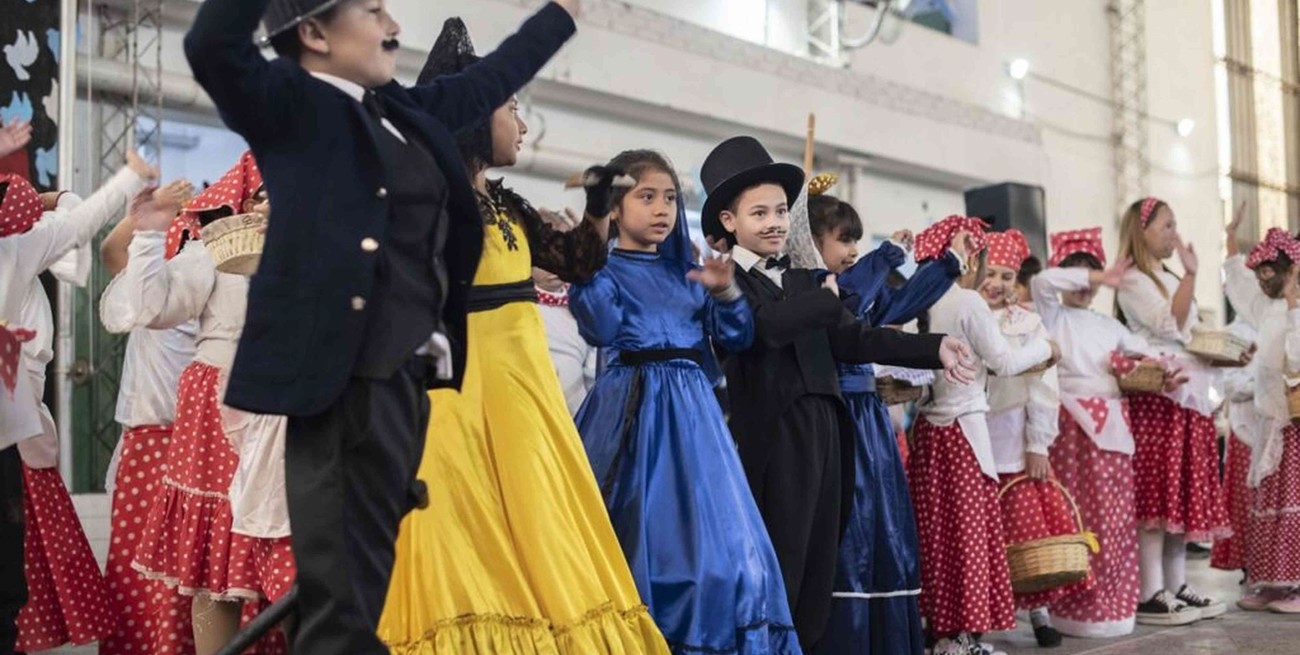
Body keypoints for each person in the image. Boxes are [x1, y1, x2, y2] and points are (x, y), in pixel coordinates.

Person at [183, 1, 582, 651]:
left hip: (406, 380)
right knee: (340, 603)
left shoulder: (397, 111)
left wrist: (560, 14)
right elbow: (212, 46)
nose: (392, 22)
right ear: (313, 34)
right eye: (371, 10)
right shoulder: (292, 104)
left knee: (367, 590)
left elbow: (488, 81)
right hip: (341, 382)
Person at [376, 21, 667, 654]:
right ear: (477, 117)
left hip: (525, 403)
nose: (524, 126)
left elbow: (579, 263)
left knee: (542, 536)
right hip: (457, 404)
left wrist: (597, 206)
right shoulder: (427, 201)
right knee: (467, 539)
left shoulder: (510, 208)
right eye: (513, 110)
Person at [699, 136, 973, 650]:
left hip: (830, 428)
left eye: (781, 210)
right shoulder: (725, 281)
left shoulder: (807, 278)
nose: (775, 222)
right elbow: (760, 329)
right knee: (782, 560)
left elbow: (853, 338)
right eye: (759, 212)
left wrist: (933, 348)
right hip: (776, 436)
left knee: (820, 566)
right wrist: (826, 303)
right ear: (729, 222)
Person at [571, 149, 798, 653]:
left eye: (670, 198)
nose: (661, 209)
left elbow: (735, 338)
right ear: (614, 207)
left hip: (696, 421)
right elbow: (601, 328)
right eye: (646, 197)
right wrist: (585, 270)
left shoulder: (690, 273)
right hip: (632, 413)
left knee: (731, 554)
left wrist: (725, 295)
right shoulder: (605, 272)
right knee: (638, 544)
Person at [120, 155, 294, 655]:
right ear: (247, 200)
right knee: (216, 563)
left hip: (298, 408)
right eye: (266, 195)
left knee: (298, 559)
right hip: (221, 405)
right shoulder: (217, 247)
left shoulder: (328, 251)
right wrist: (151, 235)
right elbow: (151, 307)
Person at [0, 153, 157, 653]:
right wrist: (125, 178)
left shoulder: (14, 252)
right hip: (14, 431)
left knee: (17, 570)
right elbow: (80, 226)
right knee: (14, 568)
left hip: (16, 425)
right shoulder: (16, 255)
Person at [796, 189, 962, 655]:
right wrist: (885, 254)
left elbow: (902, 301)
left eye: (857, 241)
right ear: (809, 243)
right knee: (847, 530)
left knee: (883, 528)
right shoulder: (816, 291)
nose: (852, 251)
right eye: (843, 240)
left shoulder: (858, 288)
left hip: (869, 422)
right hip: (837, 420)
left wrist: (945, 265)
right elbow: (852, 303)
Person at [908, 216, 1056, 655]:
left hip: (929, 432)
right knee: (970, 538)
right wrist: (1047, 347)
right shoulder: (966, 302)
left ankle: (940, 632)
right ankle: (964, 637)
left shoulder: (920, 301)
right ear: (969, 259)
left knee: (936, 537)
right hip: (965, 433)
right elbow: (1007, 362)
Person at [1030, 227, 1171, 637]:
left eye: (1092, 276)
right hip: (1070, 429)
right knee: (1076, 519)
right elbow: (1041, 281)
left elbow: (1146, 352)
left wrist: (1170, 368)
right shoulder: (1051, 315)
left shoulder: (1108, 326)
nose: (1086, 285)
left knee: (1116, 523)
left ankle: (1114, 607)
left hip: (1112, 429)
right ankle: (1074, 609)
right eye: (1077, 275)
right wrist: (1098, 276)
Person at [98, 179, 201, 655]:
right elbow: (110, 249)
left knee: (178, 577)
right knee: (133, 567)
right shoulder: (147, 283)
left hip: (187, 441)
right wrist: (144, 216)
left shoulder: (205, 289)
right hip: (144, 441)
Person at [1114, 197, 1229, 624]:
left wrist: (1222, 351)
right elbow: (1169, 325)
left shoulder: (1167, 274)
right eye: (1166, 225)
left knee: (1180, 495)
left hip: (1188, 396)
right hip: (1159, 397)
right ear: (1141, 230)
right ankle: (1150, 591)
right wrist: (1194, 275)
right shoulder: (1130, 278)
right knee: (1158, 494)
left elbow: (1189, 330)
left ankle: (1177, 584)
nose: (1174, 234)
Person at [980, 229, 1077, 649]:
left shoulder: (1029, 323)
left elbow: (1043, 385)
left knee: (1028, 534)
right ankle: (977, 618)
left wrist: (1038, 443)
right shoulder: (966, 314)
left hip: (1014, 440)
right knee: (983, 536)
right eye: (990, 273)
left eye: (1006, 276)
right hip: (975, 434)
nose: (997, 284)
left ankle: (1039, 611)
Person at [1221, 226, 1300, 612]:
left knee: (1293, 504)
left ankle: (1296, 586)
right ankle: (1274, 583)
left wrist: (1294, 305)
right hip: (1271, 421)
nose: (1262, 281)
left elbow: (1298, 360)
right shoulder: (1267, 306)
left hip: (1294, 425)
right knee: (1269, 501)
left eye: (1270, 272)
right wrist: (1232, 246)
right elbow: (1239, 289)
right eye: (1259, 274)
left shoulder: (1295, 308)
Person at [534, 264, 597, 415]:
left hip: (586, 406)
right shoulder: (522, 310)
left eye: (561, 252)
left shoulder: (583, 298)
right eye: (541, 259)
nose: (553, 263)